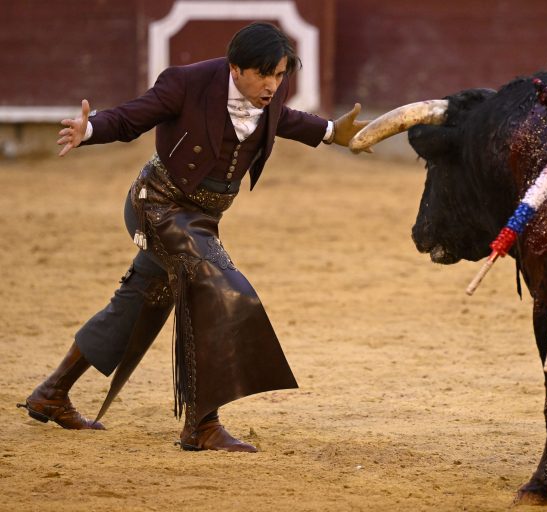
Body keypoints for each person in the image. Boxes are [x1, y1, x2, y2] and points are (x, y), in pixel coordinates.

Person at [17, 22, 368, 453]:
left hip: (201, 220)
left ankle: (52, 393)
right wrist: (89, 131)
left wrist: (332, 132)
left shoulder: (268, 95)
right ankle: (202, 425)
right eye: (264, 75)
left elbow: (285, 120)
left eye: (280, 76)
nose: (273, 86)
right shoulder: (186, 82)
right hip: (157, 205)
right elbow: (131, 117)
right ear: (235, 68)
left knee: (136, 303)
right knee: (217, 287)